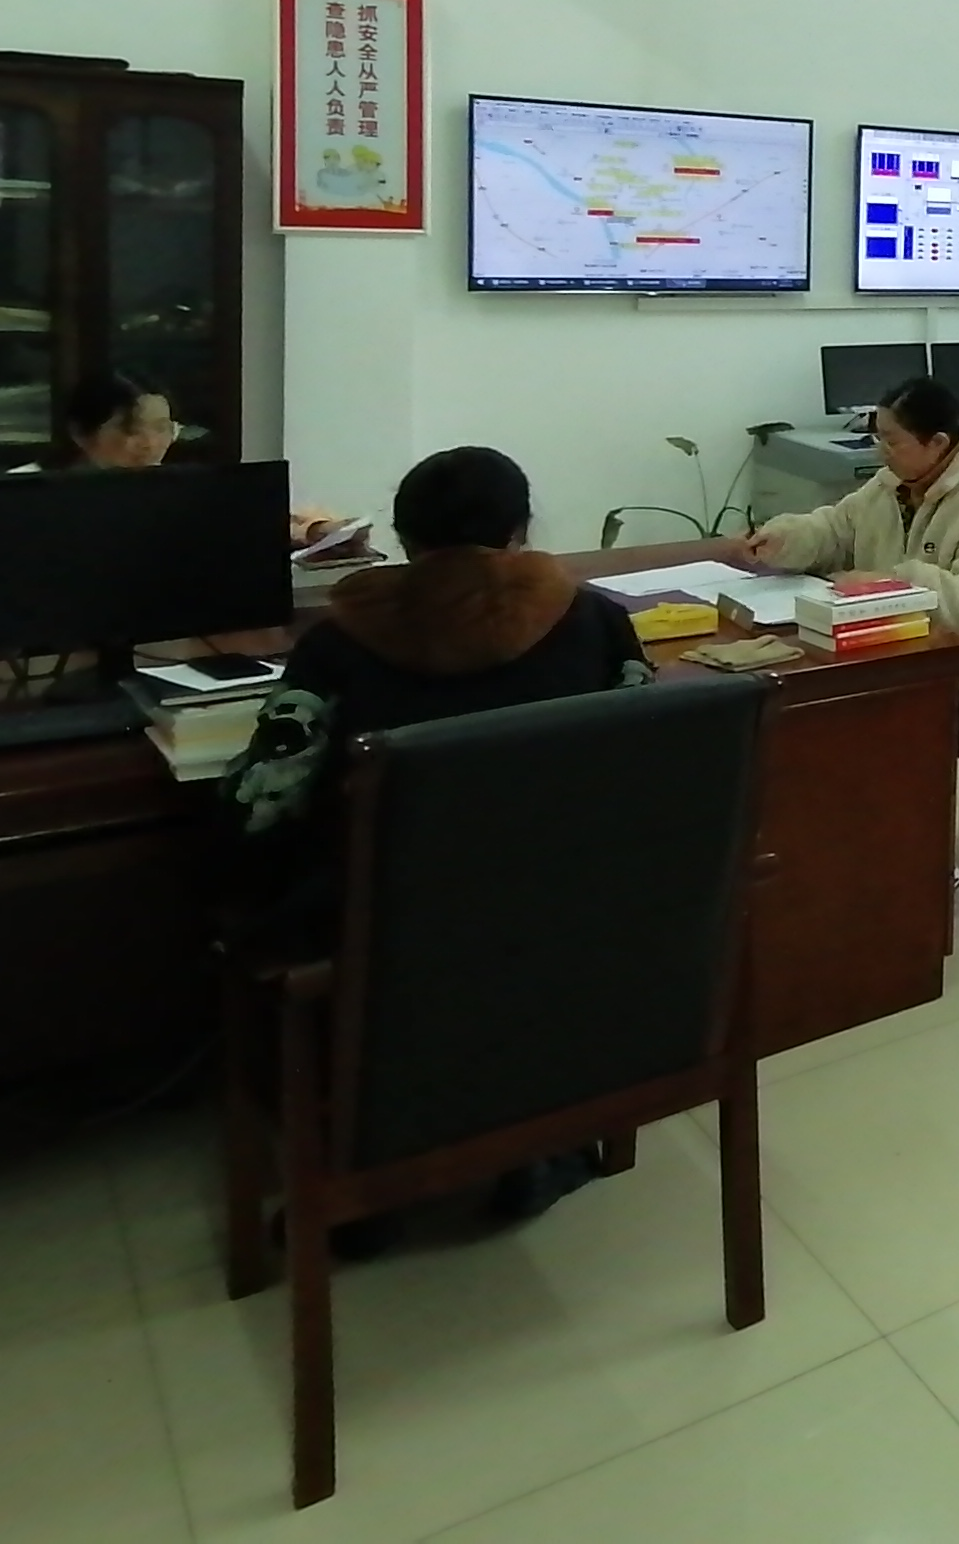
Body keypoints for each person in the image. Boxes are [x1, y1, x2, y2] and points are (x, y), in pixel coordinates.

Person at [221, 445, 655, 1231]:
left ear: (405, 539)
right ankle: (531, 1143)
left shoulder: (336, 644)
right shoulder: (598, 622)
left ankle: (370, 1168)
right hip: (562, 918)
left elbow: (259, 807)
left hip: (385, 937)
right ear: (520, 532)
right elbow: (638, 776)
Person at [741, 375, 959, 681]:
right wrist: (786, 539)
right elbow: (836, 529)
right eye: (878, 439)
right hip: (903, 656)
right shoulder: (892, 483)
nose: (881, 452)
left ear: (937, 443)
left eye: (892, 441)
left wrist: (888, 585)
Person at [55, 370, 358, 552]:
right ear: (81, 433)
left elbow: (248, 522)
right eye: (130, 429)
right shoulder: (44, 499)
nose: (150, 444)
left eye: (162, 428)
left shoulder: (179, 492)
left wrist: (317, 533)